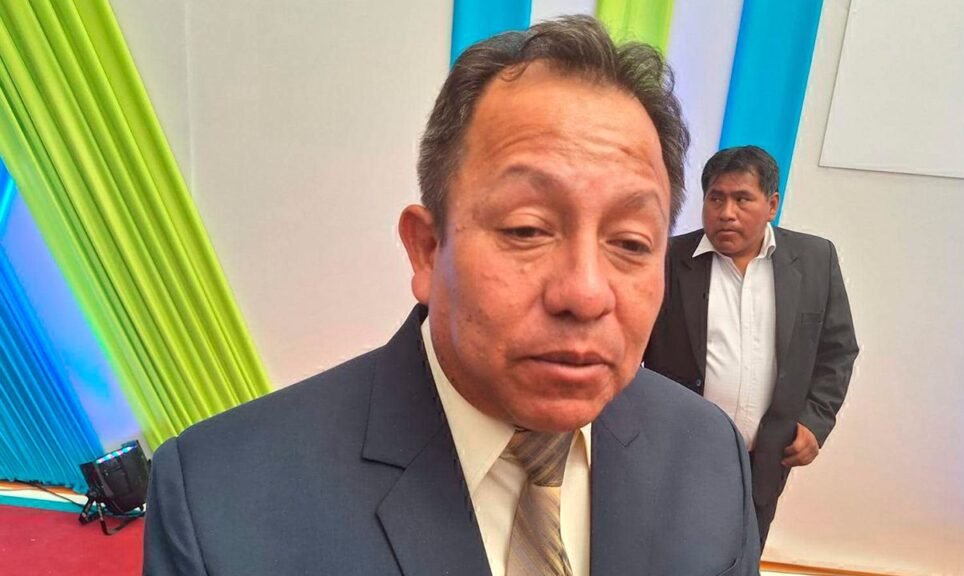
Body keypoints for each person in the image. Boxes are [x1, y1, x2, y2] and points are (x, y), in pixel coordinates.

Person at [144, 16, 760, 575]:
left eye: (629, 242)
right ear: (426, 249)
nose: (585, 292)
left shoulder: (708, 456)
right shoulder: (221, 500)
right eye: (526, 229)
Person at [644, 145, 859, 551]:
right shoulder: (667, 260)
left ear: (771, 204)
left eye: (742, 199)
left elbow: (838, 350)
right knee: (669, 552)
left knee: (742, 553)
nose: (726, 212)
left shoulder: (815, 260)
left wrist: (815, 420)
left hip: (765, 457)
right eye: (716, 198)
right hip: (677, 452)